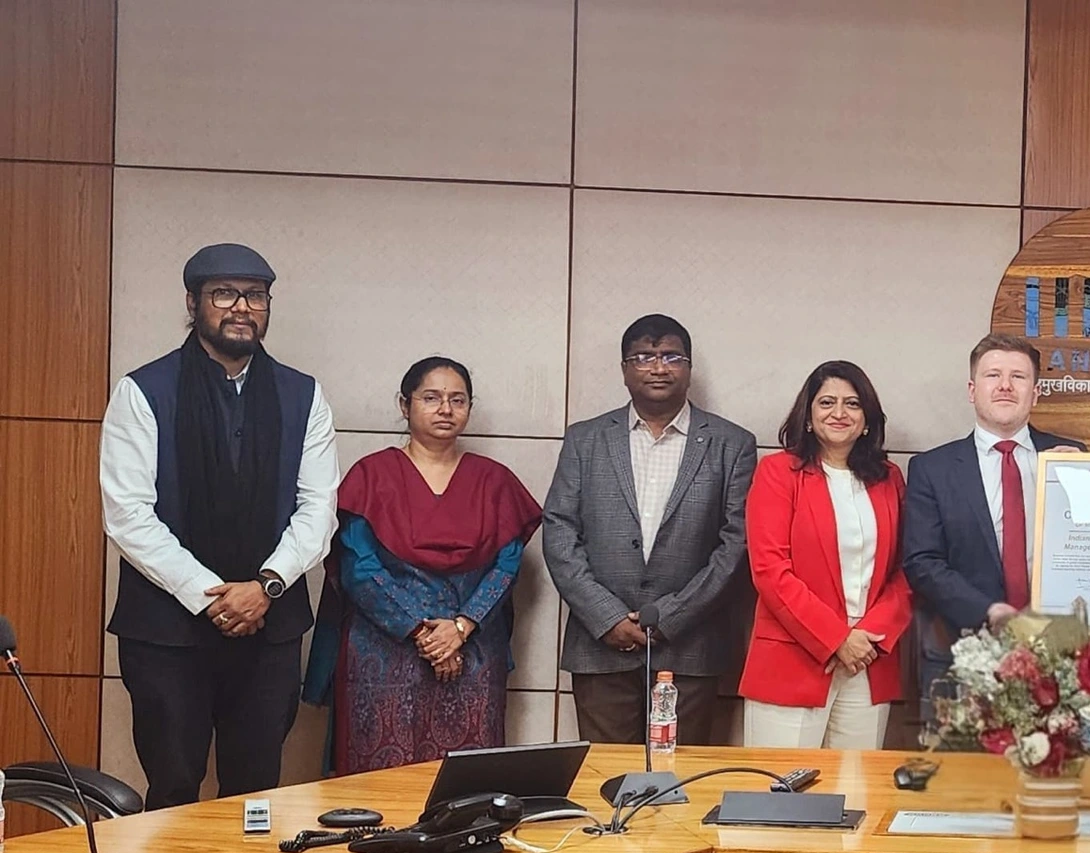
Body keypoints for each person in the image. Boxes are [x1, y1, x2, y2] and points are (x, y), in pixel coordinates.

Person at [100, 243, 339, 809]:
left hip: (269, 625)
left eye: (255, 296)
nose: (241, 307)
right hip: (166, 633)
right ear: (193, 302)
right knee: (175, 784)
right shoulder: (143, 390)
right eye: (224, 294)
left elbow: (318, 508)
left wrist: (267, 586)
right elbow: (129, 514)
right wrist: (209, 596)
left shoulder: (302, 394)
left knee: (255, 794)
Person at [303, 357, 542, 774]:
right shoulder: (371, 475)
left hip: (471, 652)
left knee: (466, 784)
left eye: (457, 399)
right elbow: (359, 567)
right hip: (381, 654)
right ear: (404, 404)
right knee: (378, 783)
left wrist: (461, 628)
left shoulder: (494, 481)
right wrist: (422, 631)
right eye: (431, 398)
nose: (445, 409)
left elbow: (506, 566)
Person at [543, 314, 756, 746]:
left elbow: (736, 544)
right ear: (624, 370)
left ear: (689, 368)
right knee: (605, 780)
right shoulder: (585, 439)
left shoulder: (732, 444)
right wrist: (607, 616)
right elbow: (559, 531)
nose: (658, 367)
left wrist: (671, 617)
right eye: (643, 356)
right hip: (601, 644)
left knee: (677, 783)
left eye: (671, 356)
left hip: (690, 648)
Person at [901, 334, 1083, 706]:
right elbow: (922, 562)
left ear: (1035, 392)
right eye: (993, 375)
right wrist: (990, 610)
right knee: (962, 767)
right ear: (972, 390)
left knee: (1053, 765)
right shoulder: (931, 469)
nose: (1004, 385)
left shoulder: (1072, 459)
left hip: (1059, 653)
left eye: (1018, 377)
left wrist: (1087, 482)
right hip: (962, 652)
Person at [741, 362, 913, 748]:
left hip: (868, 661)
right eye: (827, 402)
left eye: (852, 404)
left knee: (857, 797)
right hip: (793, 660)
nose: (840, 413)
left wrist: (866, 640)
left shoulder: (889, 479)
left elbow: (907, 570)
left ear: (866, 419)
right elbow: (770, 570)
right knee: (779, 802)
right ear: (808, 414)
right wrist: (837, 638)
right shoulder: (778, 472)